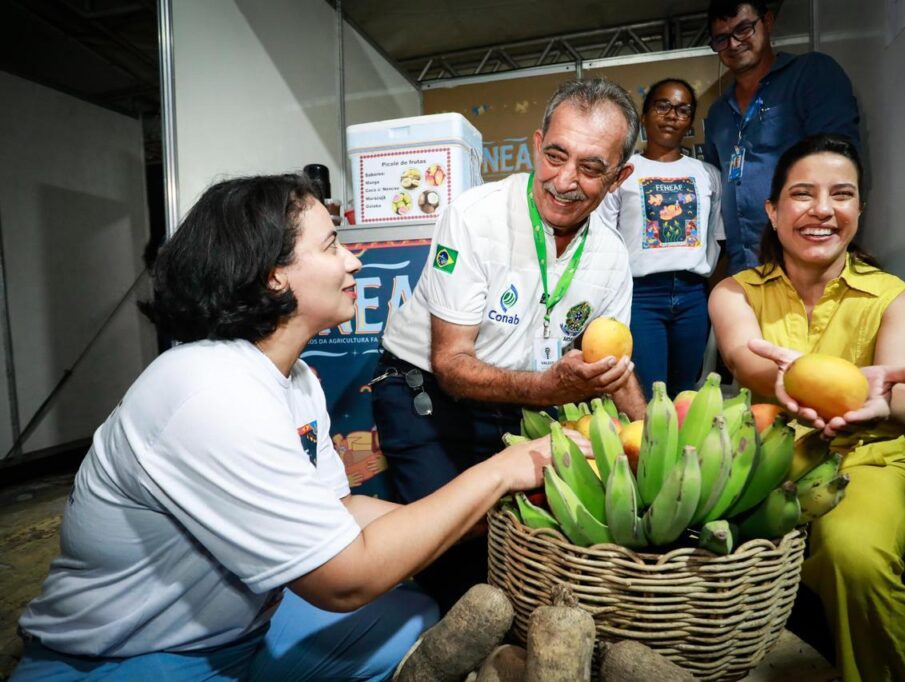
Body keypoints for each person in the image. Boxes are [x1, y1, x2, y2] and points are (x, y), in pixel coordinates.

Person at [11, 175, 566, 682]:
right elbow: (343, 581)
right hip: (129, 659)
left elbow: (339, 512)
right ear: (273, 274)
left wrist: (489, 521)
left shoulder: (294, 378)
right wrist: (500, 473)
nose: (354, 263)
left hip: (244, 628)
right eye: (330, 247)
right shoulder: (211, 394)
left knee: (414, 611)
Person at [373, 77, 647, 612]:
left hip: (520, 405)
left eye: (591, 168)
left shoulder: (612, 257)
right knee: (459, 554)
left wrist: (652, 441)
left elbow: (615, 366)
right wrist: (549, 389)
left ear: (619, 177)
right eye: (555, 155)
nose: (565, 181)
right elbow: (451, 365)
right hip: (428, 398)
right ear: (535, 143)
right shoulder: (474, 217)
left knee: (536, 545)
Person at [708, 134, 905, 682]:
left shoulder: (902, 301)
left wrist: (880, 404)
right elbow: (743, 358)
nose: (822, 210)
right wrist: (795, 376)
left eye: (841, 194)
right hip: (764, 468)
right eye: (802, 193)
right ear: (773, 209)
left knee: (852, 555)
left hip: (870, 464)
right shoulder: (735, 292)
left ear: (859, 208)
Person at [703, 0, 861, 275]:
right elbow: (715, 182)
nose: (734, 43)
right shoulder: (717, 112)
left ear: (768, 22)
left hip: (804, 262)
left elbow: (839, 161)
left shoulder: (810, 74)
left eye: (744, 29)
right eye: (721, 38)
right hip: (743, 268)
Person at [596, 78, 724, 398]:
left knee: (686, 395)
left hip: (694, 297)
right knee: (648, 395)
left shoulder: (708, 174)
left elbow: (716, 240)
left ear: (691, 120)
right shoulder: (623, 172)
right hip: (641, 298)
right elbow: (603, 243)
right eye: (662, 106)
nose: (671, 115)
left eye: (683, 110)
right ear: (644, 115)